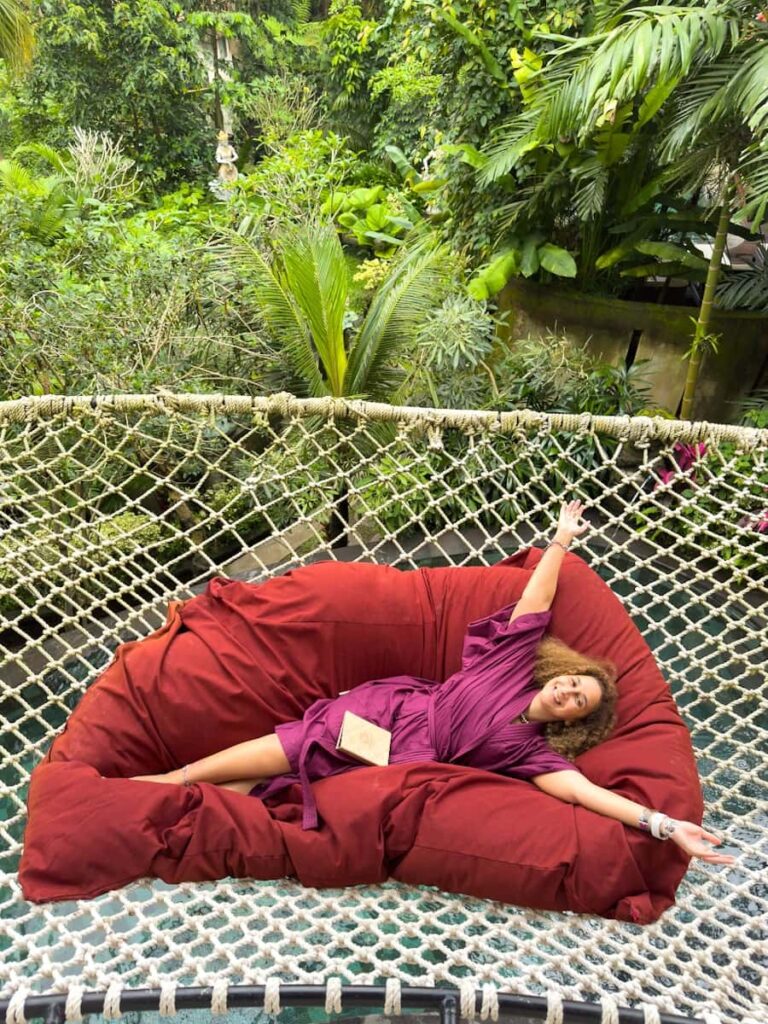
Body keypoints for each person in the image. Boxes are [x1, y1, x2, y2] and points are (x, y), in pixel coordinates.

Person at [133, 500, 733, 865]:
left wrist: (664, 824)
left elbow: (586, 797)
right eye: (575, 681)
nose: (570, 692)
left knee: (279, 782)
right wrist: (560, 540)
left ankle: (183, 807)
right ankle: (171, 782)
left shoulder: (532, 754)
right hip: (384, 713)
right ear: (561, 674)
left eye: (579, 701)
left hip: (399, 763)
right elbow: (537, 597)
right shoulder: (513, 661)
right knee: (288, 749)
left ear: (572, 719)